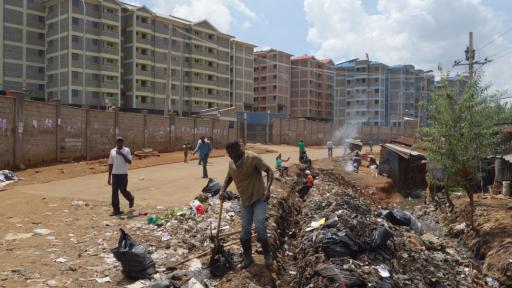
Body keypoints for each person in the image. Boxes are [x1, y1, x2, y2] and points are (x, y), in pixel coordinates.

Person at [219, 141, 274, 268]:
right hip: (245, 200)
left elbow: (270, 171)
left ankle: (267, 254)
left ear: (238, 149)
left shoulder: (252, 158)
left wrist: (268, 190)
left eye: (232, 152)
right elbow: (229, 177)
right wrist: (222, 190)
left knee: (260, 225)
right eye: (228, 153)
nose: (230, 155)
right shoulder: (231, 163)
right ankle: (248, 257)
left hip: (259, 197)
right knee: (244, 231)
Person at [107, 137, 134, 216]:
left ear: (123, 143)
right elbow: (110, 164)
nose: (119, 144)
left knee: (123, 190)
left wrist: (122, 154)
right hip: (115, 174)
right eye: (118, 142)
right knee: (114, 192)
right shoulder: (112, 151)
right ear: (116, 143)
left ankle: (130, 198)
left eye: (121, 142)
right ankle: (116, 210)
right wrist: (109, 177)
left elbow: (130, 162)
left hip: (123, 174)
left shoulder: (127, 150)